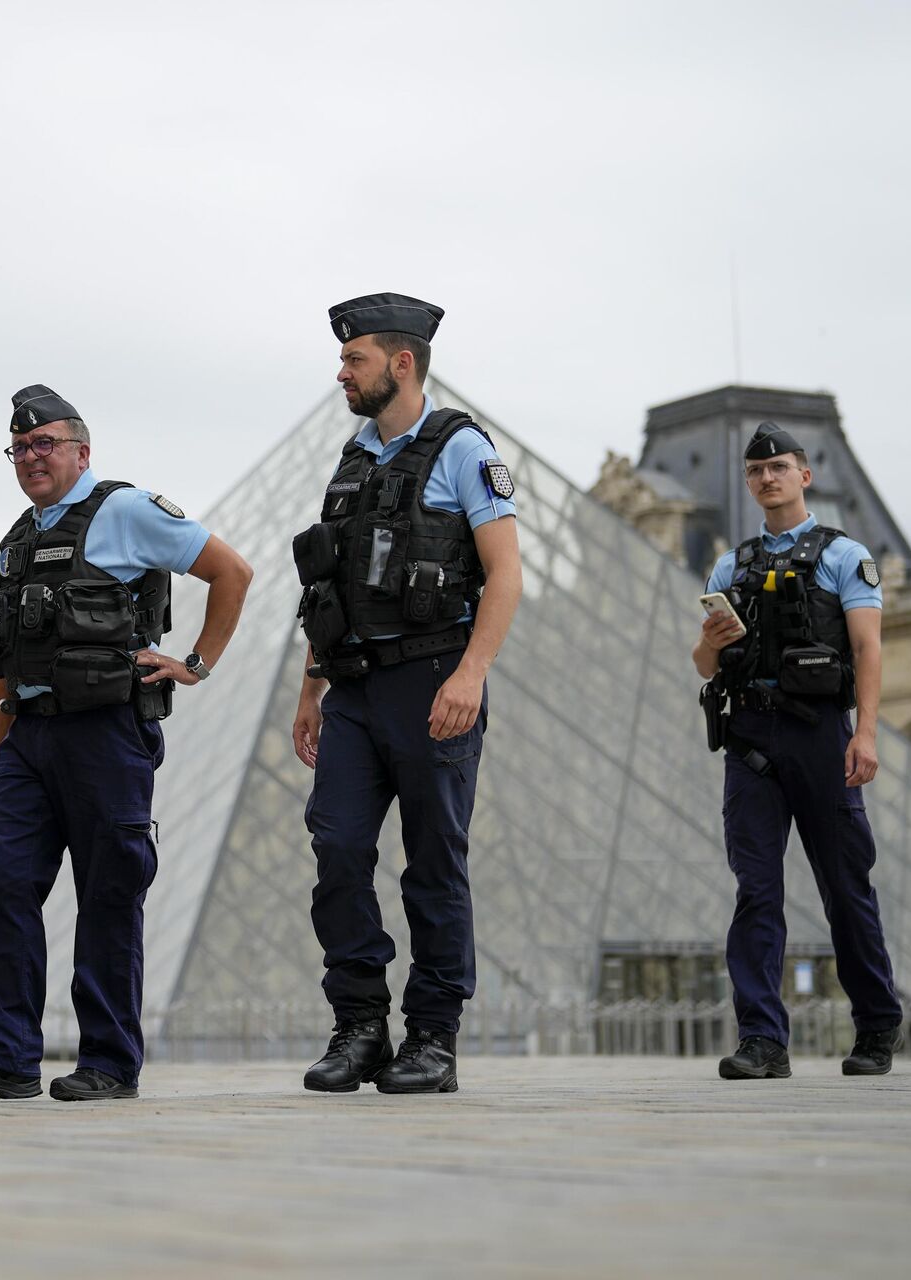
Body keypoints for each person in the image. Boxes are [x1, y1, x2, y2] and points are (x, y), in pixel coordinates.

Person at [0, 384, 252, 1101]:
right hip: (28, 741)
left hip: (106, 736)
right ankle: (5, 1057)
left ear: (82, 449)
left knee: (107, 897)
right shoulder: (17, 538)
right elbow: (5, 661)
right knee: (1, 888)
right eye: (19, 448)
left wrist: (194, 663)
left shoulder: (127, 511)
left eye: (45, 444)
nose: (31, 457)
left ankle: (108, 1062)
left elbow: (232, 571)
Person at [291, 293, 523, 1095]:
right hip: (352, 686)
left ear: (401, 362)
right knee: (338, 849)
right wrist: (311, 685)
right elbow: (330, 585)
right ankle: (359, 1024)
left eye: (353, 359)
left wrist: (470, 674)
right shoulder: (353, 458)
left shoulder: (463, 452)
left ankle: (432, 1035)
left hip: (433, 681)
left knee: (432, 864)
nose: (341, 373)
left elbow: (506, 575)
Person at [693, 422, 903, 1079]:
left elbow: (868, 649)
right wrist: (713, 640)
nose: (767, 478)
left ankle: (875, 1028)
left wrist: (864, 733)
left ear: (803, 475)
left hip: (821, 736)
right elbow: (704, 664)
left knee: (846, 889)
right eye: (756, 471)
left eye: (779, 467)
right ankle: (762, 1040)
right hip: (751, 739)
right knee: (756, 892)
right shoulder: (732, 566)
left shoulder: (845, 555)